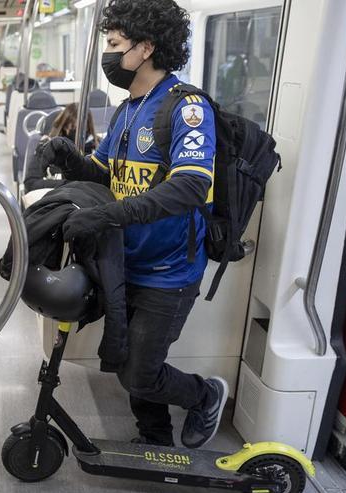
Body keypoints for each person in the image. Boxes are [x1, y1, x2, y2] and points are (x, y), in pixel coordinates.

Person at [38, 0, 228, 450]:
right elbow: (107, 175)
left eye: (115, 45)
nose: (109, 56)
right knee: (130, 359)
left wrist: (107, 215)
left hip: (169, 270)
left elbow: (190, 188)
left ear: (145, 48)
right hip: (126, 261)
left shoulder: (186, 109)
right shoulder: (127, 111)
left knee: (139, 370)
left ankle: (205, 395)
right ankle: (156, 437)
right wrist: (71, 158)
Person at [24, 103, 97, 193]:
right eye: (72, 128)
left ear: (88, 128)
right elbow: (31, 183)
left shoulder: (97, 150)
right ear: (63, 126)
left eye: (81, 129)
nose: (75, 134)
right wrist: (68, 184)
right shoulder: (48, 146)